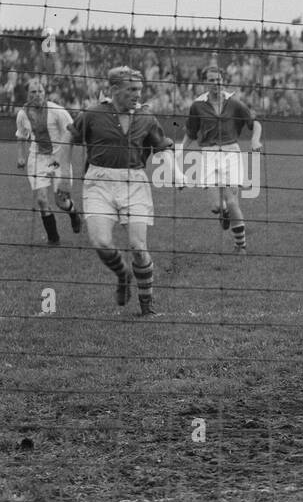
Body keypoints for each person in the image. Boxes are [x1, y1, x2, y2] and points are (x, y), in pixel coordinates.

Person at [69, 67, 173, 317]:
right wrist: (63, 176)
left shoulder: (146, 117)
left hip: (134, 182)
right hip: (98, 181)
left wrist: (176, 173)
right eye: (131, 90)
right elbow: (69, 140)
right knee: (101, 242)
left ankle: (147, 305)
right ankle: (122, 274)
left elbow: (163, 146)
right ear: (115, 90)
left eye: (139, 89)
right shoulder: (93, 113)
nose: (137, 95)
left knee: (138, 247)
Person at [181, 66, 262, 254]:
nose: (215, 83)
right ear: (204, 83)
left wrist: (255, 139)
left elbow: (254, 123)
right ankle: (223, 212)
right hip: (208, 154)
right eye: (211, 80)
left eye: (218, 80)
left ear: (222, 81)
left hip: (231, 153)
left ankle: (240, 245)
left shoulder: (234, 103)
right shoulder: (197, 105)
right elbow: (191, 132)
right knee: (216, 206)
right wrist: (179, 152)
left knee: (233, 202)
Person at [14, 79, 80, 245]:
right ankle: (53, 238)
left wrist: (65, 159)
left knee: (61, 202)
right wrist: (20, 156)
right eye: (33, 92)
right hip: (37, 159)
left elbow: (72, 133)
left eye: (40, 91)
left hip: (58, 158)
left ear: (45, 93)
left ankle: (73, 212)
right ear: (27, 95)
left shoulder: (57, 111)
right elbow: (21, 136)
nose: (37, 95)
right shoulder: (23, 113)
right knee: (42, 200)